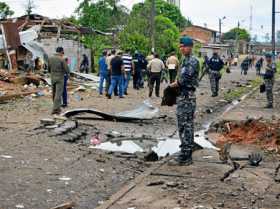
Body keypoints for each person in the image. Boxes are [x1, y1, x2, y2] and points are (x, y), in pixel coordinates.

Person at [169, 36, 200, 165]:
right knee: (184, 125)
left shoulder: (192, 61)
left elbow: (185, 78)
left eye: (183, 46)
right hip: (183, 96)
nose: (181, 48)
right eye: (180, 46)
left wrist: (174, 84)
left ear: (190, 47)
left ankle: (186, 156)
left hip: (187, 97)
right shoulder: (184, 59)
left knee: (185, 126)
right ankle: (186, 151)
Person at [48, 47, 69, 114]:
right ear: (61, 52)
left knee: (54, 93)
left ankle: (57, 108)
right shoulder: (62, 59)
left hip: (53, 78)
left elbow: (48, 69)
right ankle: (55, 109)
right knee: (58, 94)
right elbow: (67, 70)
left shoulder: (50, 58)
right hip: (60, 78)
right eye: (62, 52)